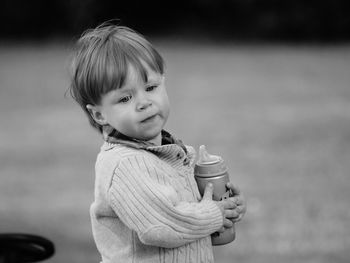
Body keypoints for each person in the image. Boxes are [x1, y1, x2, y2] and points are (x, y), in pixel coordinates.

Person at [69, 22, 246, 263]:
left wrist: (225, 208)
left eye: (151, 87)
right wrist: (213, 213)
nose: (143, 102)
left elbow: (188, 214)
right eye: (125, 98)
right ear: (99, 115)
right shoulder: (125, 164)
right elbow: (160, 226)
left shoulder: (171, 153)